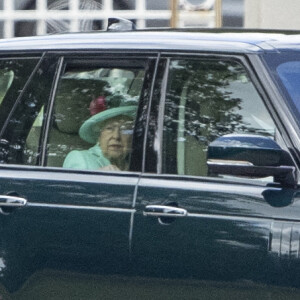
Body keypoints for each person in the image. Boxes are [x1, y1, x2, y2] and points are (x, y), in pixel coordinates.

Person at [63, 96, 136, 171]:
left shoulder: (139, 163)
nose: (116, 136)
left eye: (124, 129)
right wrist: (97, 176)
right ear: (99, 136)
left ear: (132, 137)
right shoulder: (79, 158)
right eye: (109, 128)